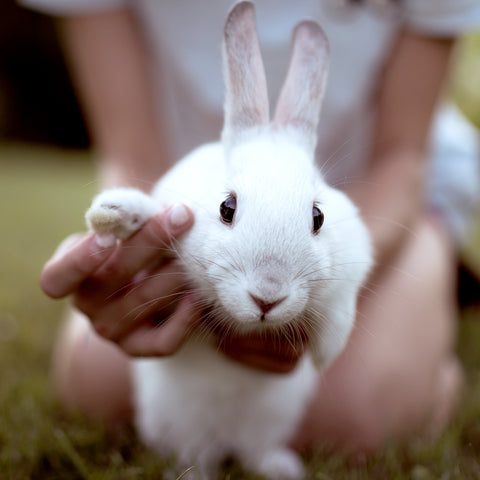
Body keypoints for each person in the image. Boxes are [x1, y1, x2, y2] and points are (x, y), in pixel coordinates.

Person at [23, 0, 480, 454]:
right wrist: (130, 251)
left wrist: (333, 289)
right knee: (98, 387)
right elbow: (131, 155)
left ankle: (432, 320)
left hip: (389, 190)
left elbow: (401, 158)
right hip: (201, 182)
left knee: (345, 419)